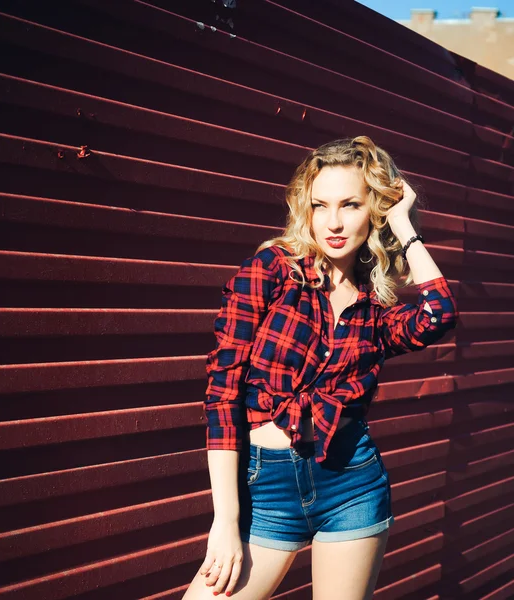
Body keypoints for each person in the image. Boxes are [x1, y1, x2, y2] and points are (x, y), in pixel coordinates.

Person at [182, 136, 459, 600]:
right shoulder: (271, 270)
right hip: (265, 490)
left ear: (373, 208)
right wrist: (225, 520)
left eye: (350, 204)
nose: (332, 222)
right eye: (320, 205)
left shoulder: (376, 308)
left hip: (351, 483)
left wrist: (403, 224)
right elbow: (222, 395)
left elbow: (439, 315)